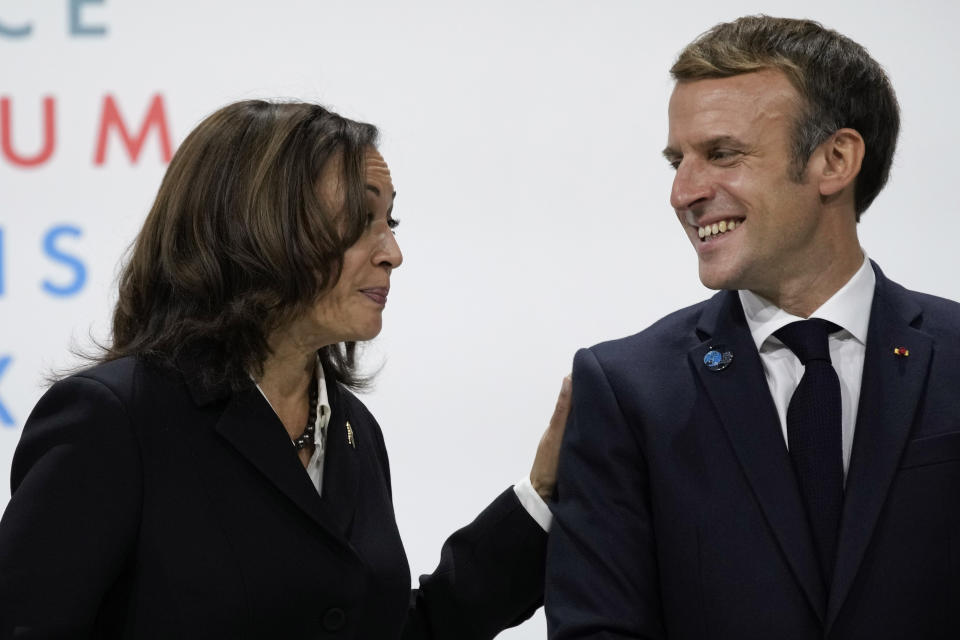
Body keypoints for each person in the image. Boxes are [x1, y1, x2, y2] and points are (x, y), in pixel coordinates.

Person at [0, 100, 570, 639]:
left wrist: (540, 495)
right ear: (251, 229)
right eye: (360, 218)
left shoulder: (353, 430)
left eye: (390, 220)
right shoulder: (114, 420)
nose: (392, 251)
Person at [546, 15, 960, 640]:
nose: (683, 192)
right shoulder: (628, 391)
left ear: (835, 160)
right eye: (676, 161)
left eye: (722, 154)